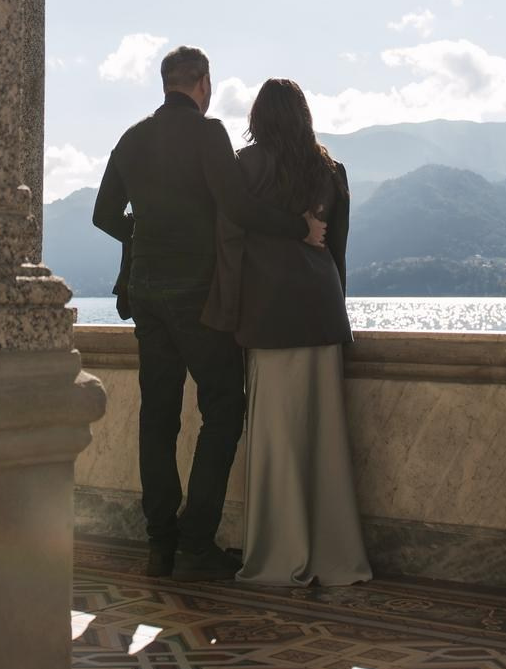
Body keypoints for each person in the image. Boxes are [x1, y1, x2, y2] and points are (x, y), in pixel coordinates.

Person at [92, 46, 325, 581]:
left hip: (147, 294)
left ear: (165, 83)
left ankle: (159, 545)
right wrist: (299, 230)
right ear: (202, 83)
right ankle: (196, 541)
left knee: (158, 417)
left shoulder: (131, 138)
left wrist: (144, 234)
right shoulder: (208, 134)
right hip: (198, 294)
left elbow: (104, 214)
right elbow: (240, 209)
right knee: (223, 409)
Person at [204, 78, 371, 588]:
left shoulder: (244, 167)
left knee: (275, 439)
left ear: (258, 117)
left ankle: (277, 553)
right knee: (324, 439)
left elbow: (229, 242)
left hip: (267, 315)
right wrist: (334, 308)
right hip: (319, 312)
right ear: (303, 115)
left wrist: (229, 315)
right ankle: (332, 551)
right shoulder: (331, 170)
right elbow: (337, 252)